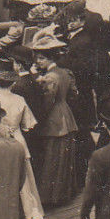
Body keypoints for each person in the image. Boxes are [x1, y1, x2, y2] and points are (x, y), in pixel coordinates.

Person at [30, 36, 81, 206]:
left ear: (49, 58)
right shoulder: (65, 72)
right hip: (66, 114)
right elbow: (74, 95)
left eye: (41, 58)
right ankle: (65, 193)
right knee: (64, 158)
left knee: (52, 158)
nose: (38, 62)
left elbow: (47, 103)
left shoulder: (50, 78)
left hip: (54, 120)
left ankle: (51, 197)